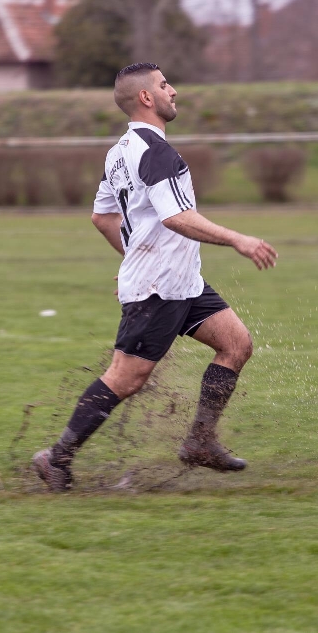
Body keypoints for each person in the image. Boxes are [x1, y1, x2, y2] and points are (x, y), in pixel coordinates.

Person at [32, 63, 278, 492]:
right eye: (165, 85)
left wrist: (133, 259)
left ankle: (199, 442)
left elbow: (101, 217)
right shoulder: (157, 152)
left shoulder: (118, 152)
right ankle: (57, 458)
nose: (174, 91)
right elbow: (177, 217)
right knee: (126, 378)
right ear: (147, 97)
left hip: (181, 281)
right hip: (159, 287)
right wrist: (238, 239)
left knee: (236, 344)